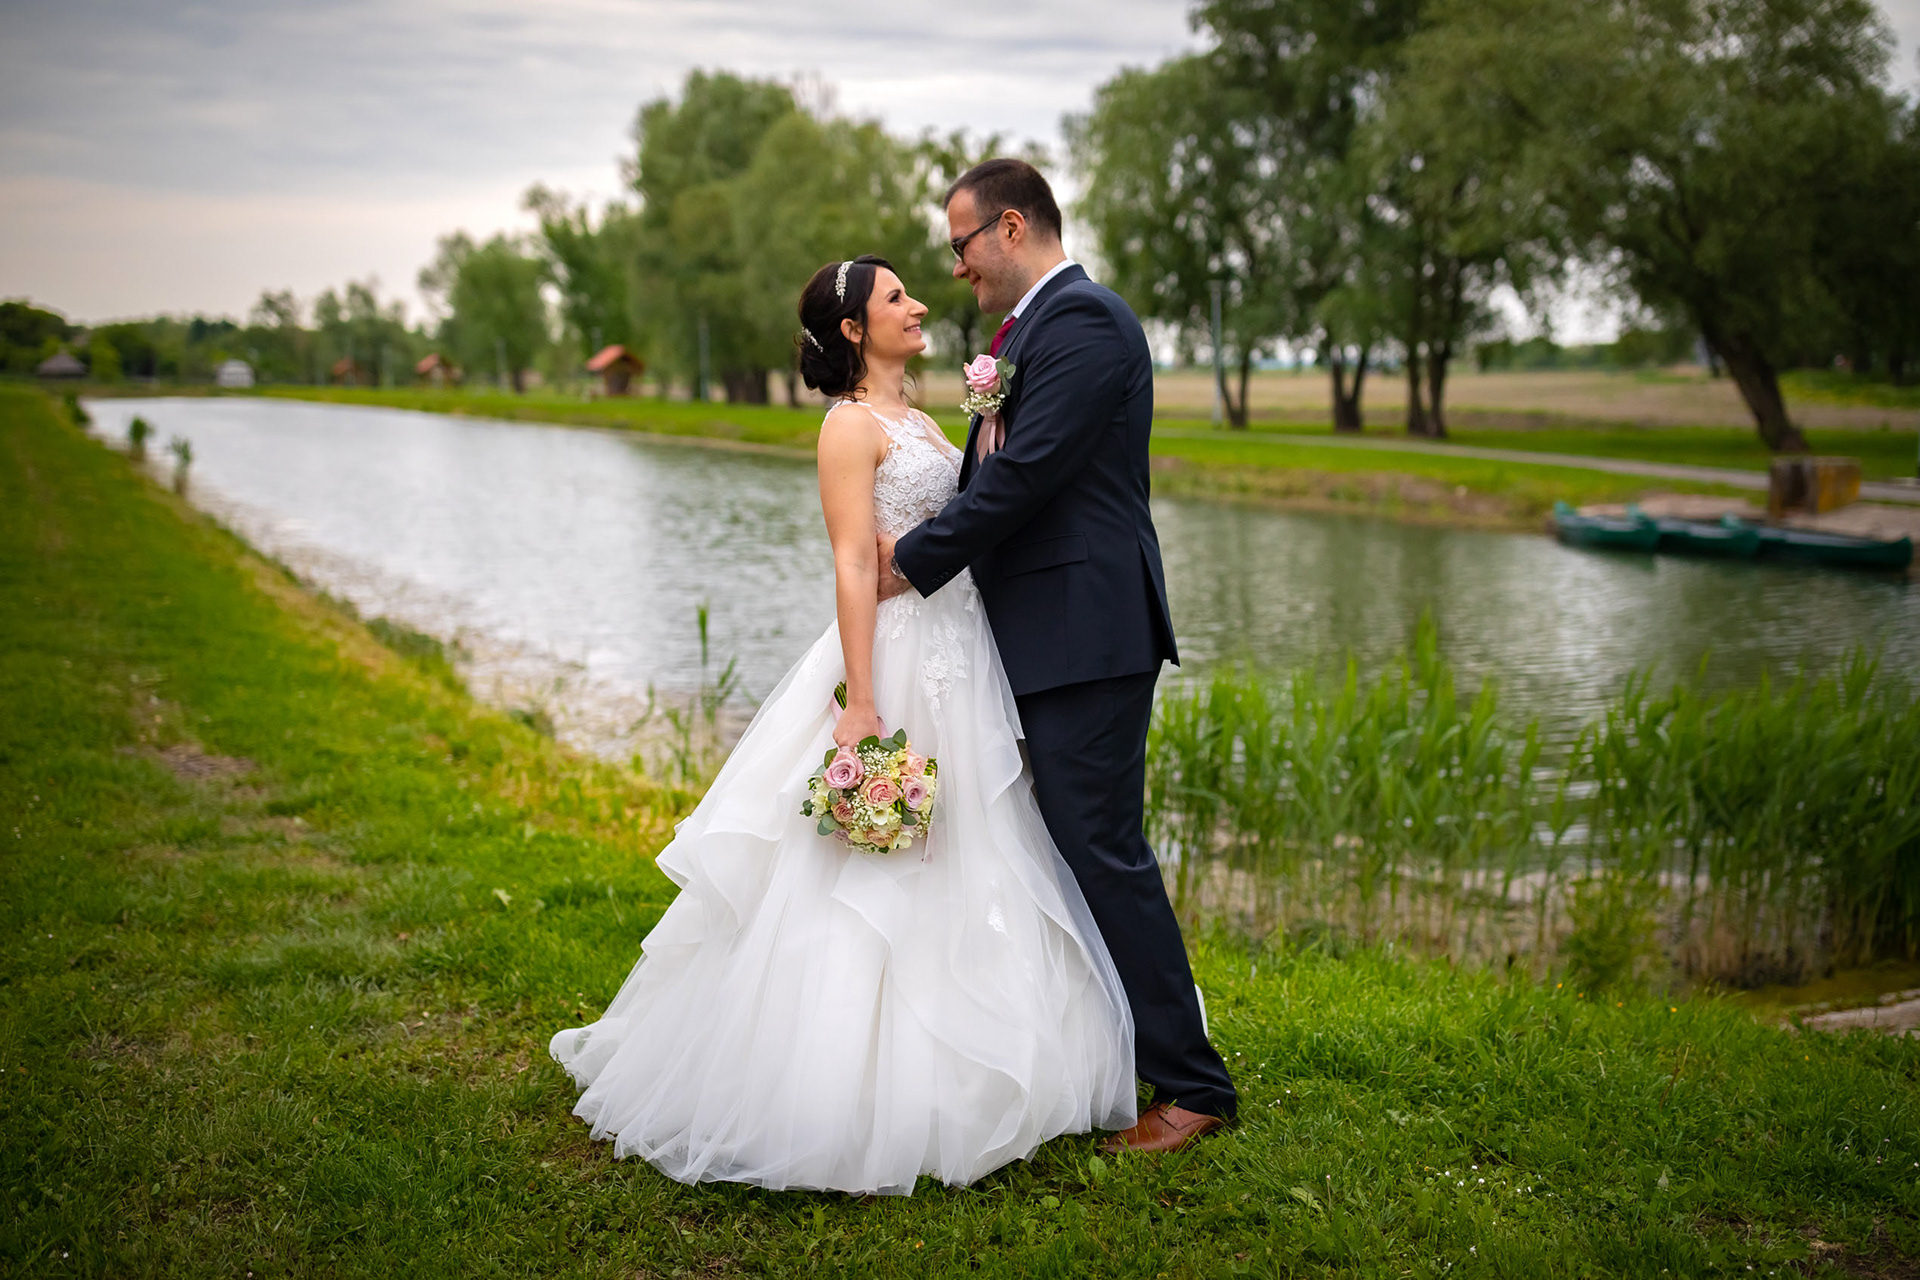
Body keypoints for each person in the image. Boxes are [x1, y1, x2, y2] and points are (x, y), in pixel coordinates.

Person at [548, 254, 1136, 1195]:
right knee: (879, 864)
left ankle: (988, 1058)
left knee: (973, 844)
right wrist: (862, 701)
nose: (919, 304)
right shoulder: (849, 427)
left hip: (963, 651)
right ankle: (849, 1086)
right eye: (896, 297)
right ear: (855, 329)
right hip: (895, 658)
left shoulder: (930, 422)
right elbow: (855, 565)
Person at [879, 159, 1237, 1153]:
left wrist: (912, 560)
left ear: (1009, 226)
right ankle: (1095, 1058)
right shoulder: (1021, 333)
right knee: (1061, 847)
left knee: (1102, 847)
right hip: (1046, 629)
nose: (956, 267)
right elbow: (993, 472)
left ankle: (1195, 1085)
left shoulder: (1084, 323)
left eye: (960, 244)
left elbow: (1028, 474)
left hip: (1089, 628)